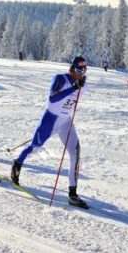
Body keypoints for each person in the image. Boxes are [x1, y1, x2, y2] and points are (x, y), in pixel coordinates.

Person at [11, 56, 89, 208]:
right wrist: (73, 88)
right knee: (35, 147)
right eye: (79, 70)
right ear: (72, 69)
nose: (82, 73)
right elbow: (52, 99)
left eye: (85, 70)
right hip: (50, 120)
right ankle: (17, 163)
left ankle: (73, 194)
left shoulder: (83, 84)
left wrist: (78, 87)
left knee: (75, 153)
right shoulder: (60, 79)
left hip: (66, 122)